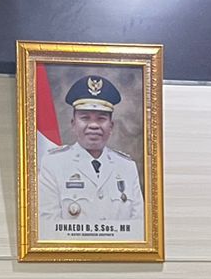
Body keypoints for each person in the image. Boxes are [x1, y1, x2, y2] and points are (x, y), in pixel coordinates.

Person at [39, 74, 144, 237]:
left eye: (101, 118)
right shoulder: (53, 165)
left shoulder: (127, 167)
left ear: (111, 126)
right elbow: (48, 226)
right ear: (73, 124)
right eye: (85, 118)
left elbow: (138, 227)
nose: (94, 125)